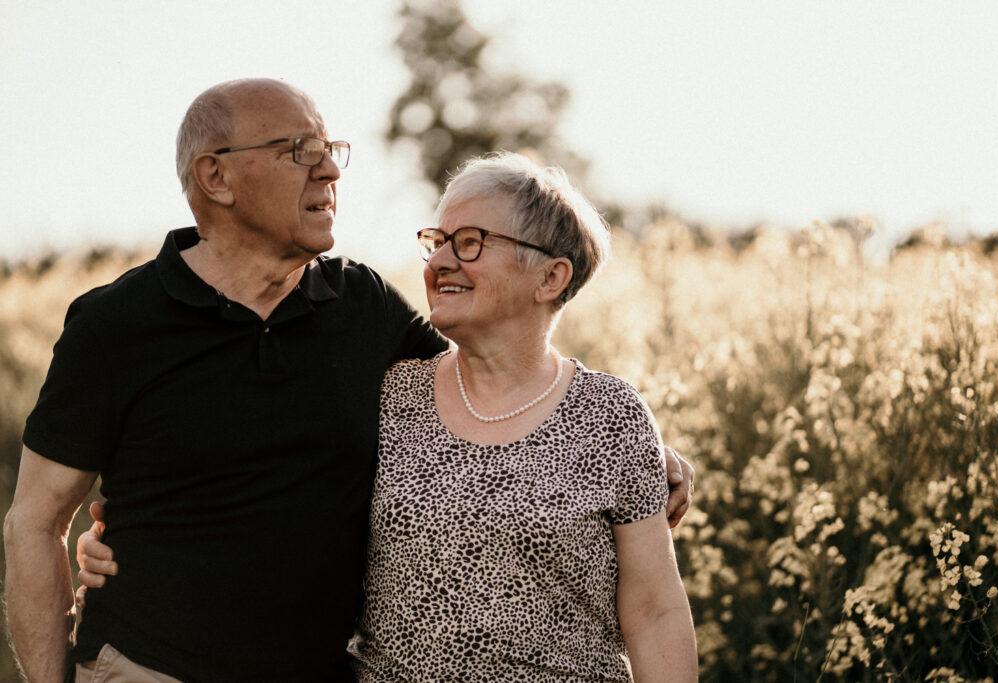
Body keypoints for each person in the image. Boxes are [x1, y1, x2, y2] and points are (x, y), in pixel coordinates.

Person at [4, 78, 694, 683]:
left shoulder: (363, 308)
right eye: (299, 150)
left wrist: (638, 452)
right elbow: (36, 520)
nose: (329, 170)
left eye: (332, 150)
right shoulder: (115, 324)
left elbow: (500, 377)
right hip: (151, 669)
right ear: (217, 178)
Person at [345, 153, 698, 681]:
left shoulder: (612, 417)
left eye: (468, 241)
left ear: (551, 277)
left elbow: (654, 613)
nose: (439, 260)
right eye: (435, 241)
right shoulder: (390, 395)